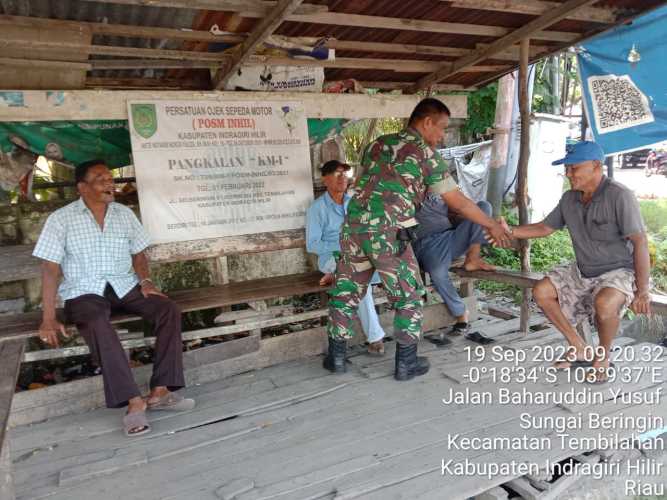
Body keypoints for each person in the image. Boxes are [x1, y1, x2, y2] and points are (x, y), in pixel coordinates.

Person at [324, 98, 511, 380]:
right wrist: (492, 225)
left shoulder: (379, 144)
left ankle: (336, 357)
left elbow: (373, 183)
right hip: (388, 233)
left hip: (353, 228)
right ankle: (406, 362)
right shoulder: (427, 155)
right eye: (442, 129)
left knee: (346, 292)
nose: (442, 136)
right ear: (426, 123)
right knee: (409, 297)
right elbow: (458, 202)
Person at [33, 160, 194, 437]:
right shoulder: (61, 219)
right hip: (84, 291)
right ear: (82, 188)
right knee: (96, 320)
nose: (110, 183)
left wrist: (145, 281)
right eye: (100, 178)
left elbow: (139, 253)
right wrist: (48, 317)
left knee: (167, 308)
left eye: (110, 178)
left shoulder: (123, 214)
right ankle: (133, 402)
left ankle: (161, 390)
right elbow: (50, 268)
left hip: (125, 286)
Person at [491, 141, 651, 383]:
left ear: (596, 166)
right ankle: (579, 346)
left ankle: (603, 357)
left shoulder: (619, 195)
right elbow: (545, 227)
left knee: (605, 303)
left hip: (618, 270)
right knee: (542, 290)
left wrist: (643, 291)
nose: (568, 173)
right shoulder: (570, 198)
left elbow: (640, 242)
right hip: (584, 269)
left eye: (574, 168)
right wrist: (510, 231)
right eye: (567, 168)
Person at [306, 160, 387, 355]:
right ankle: (375, 337)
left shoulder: (354, 203)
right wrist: (344, 246)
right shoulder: (317, 209)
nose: (342, 177)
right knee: (358, 280)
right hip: (330, 258)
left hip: (357, 258)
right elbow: (313, 244)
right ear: (325, 180)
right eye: (336, 173)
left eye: (344, 173)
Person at [413, 193, 495, 335]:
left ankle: (473, 257)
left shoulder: (440, 187)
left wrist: (459, 216)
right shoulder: (402, 191)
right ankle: (460, 312)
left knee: (483, 206)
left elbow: (459, 212)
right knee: (437, 272)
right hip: (425, 246)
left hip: (450, 238)